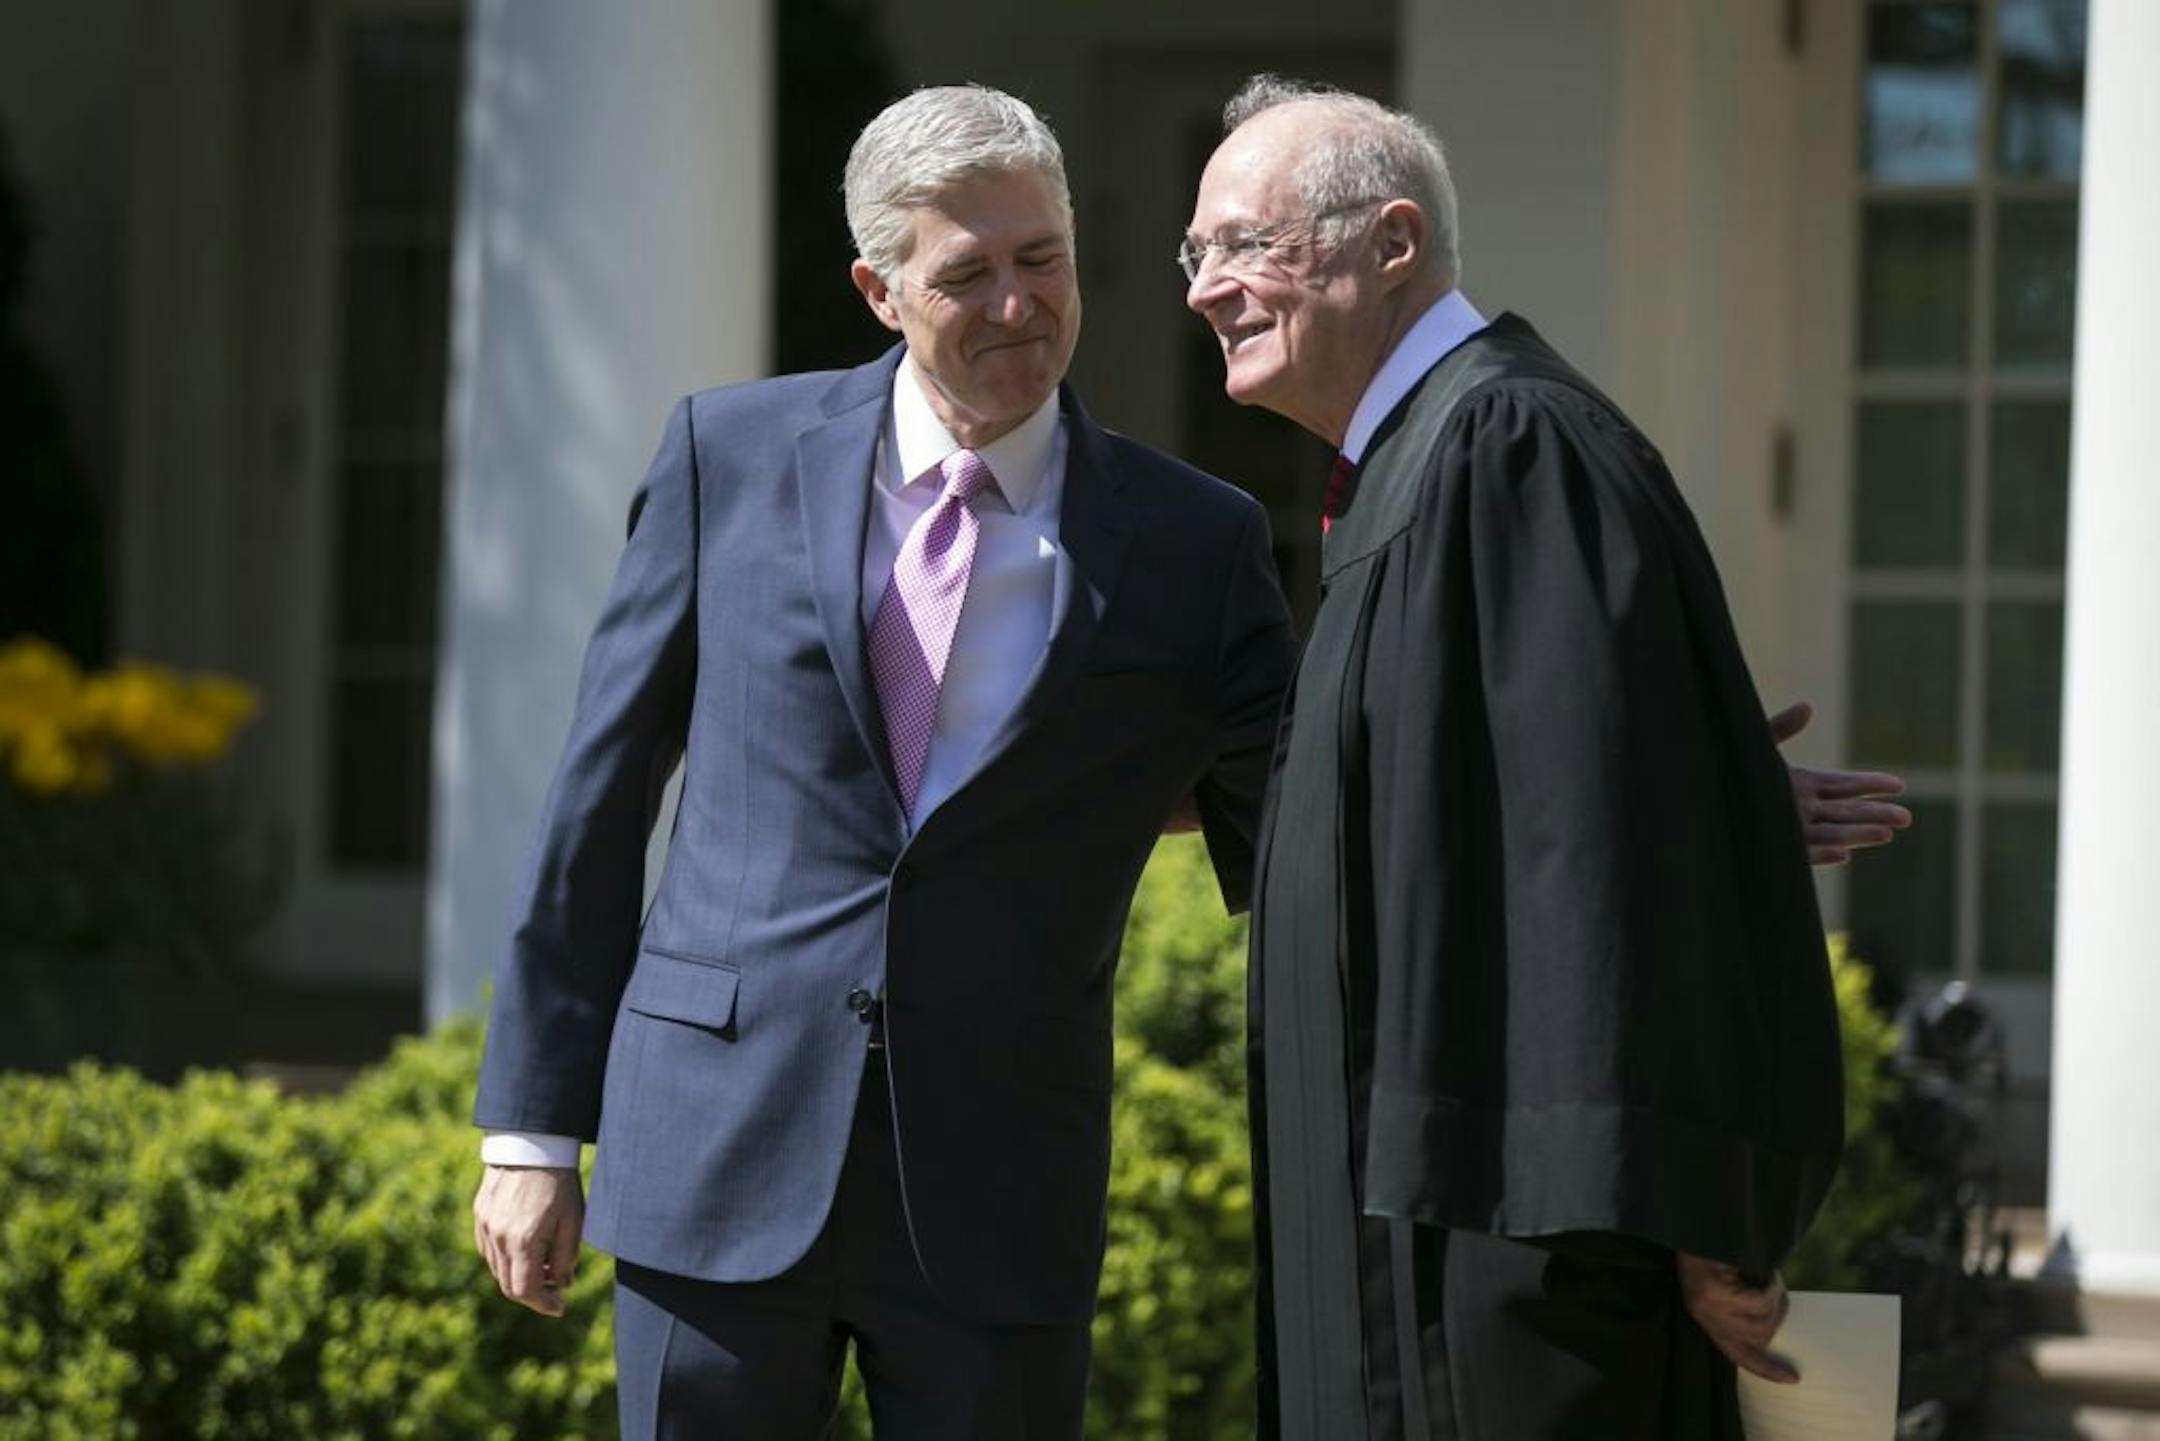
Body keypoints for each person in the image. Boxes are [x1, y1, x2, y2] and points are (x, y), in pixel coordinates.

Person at [467, 84, 1298, 1440]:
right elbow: (598, 801)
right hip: (716, 1159)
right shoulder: (721, 458)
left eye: (1044, 259)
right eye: (967, 274)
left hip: (998, 1184)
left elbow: (1319, 808)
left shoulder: (1195, 544)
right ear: (878, 289)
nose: (1020, 304)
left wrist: (1650, 765)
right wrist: (531, 1132)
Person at [1182, 76, 1906, 1439]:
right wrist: (1712, 788)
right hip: (1426, 1244)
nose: (1206, 288)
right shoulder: (1409, 465)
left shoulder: (1511, 443)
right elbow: (1540, 784)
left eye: (1243, 244)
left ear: (1390, 243)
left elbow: (1600, 881)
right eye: (1196, 252)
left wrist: (1693, 1208)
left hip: (1518, 1276)